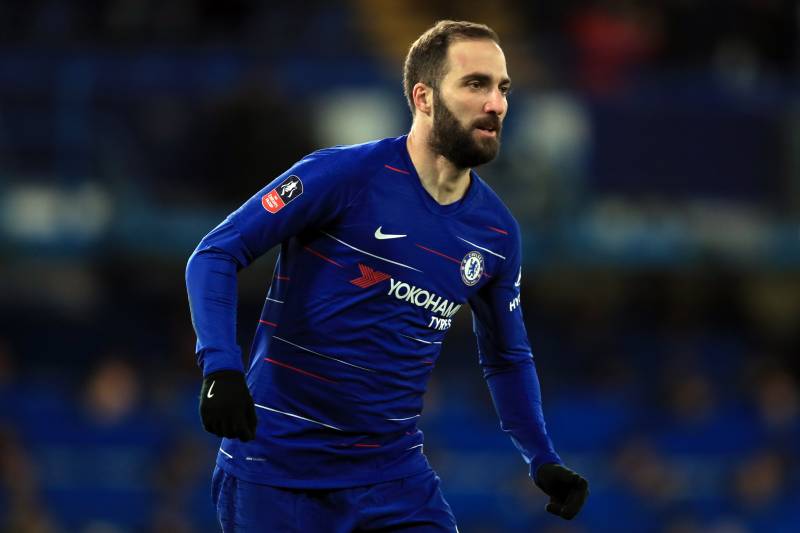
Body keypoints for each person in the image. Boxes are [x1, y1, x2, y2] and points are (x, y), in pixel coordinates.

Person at [186, 19, 589, 532]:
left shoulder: (496, 234)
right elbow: (216, 254)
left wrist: (542, 457)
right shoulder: (344, 177)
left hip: (393, 481)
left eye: (502, 88)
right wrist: (220, 368)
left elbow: (507, 357)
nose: (497, 104)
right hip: (278, 474)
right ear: (423, 98)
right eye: (475, 84)